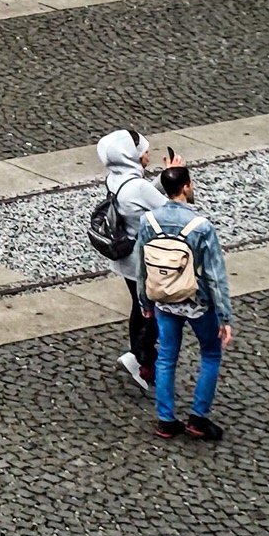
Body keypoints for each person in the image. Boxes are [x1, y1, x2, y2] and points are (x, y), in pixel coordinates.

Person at [139, 162, 234, 442]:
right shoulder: (201, 226)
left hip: (164, 300)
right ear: (186, 187)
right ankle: (198, 418)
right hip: (197, 301)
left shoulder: (148, 221)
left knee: (167, 358)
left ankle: (166, 420)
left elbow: (141, 266)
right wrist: (225, 316)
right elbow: (215, 274)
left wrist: (145, 302)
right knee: (211, 354)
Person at [93, 131, 172, 396]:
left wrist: (162, 178)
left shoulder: (116, 179)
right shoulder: (138, 187)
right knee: (157, 309)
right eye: (144, 152)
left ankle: (142, 362)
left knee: (139, 308)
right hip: (146, 261)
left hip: (126, 260)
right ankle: (138, 356)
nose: (148, 155)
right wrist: (176, 178)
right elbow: (171, 210)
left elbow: (142, 195)